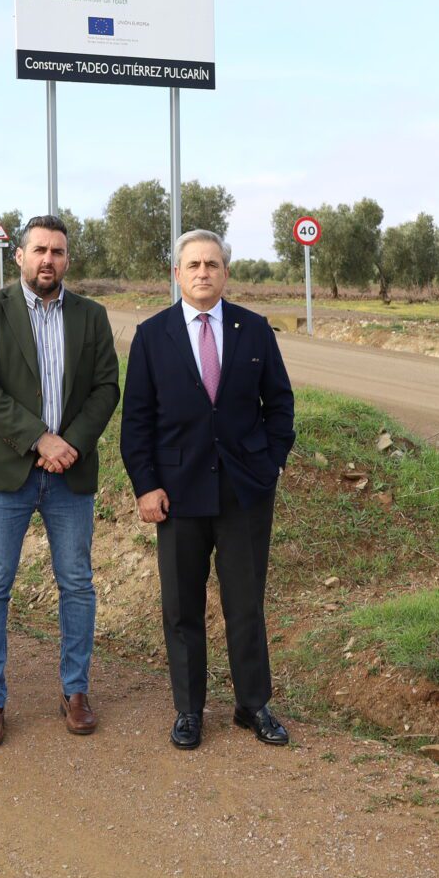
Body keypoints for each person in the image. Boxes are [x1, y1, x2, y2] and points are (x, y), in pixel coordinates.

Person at [120, 229, 296, 750]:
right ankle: (189, 710)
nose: (203, 272)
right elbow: (137, 424)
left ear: (226, 273)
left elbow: (280, 408)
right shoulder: (153, 336)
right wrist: (146, 487)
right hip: (178, 495)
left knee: (246, 604)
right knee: (182, 606)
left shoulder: (255, 330)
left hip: (244, 493)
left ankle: (252, 704)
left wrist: (270, 468)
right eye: (193, 264)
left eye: (212, 264)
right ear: (176, 274)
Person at [0, 215, 119, 748]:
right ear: (20, 256)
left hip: (70, 472)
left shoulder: (92, 317)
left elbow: (105, 388)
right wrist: (38, 439)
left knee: (76, 582)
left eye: (57, 251)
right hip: (6, 471)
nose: (48, 259)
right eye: (39, 250)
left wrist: (68, 443)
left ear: (67, 259)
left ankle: (75, 691)